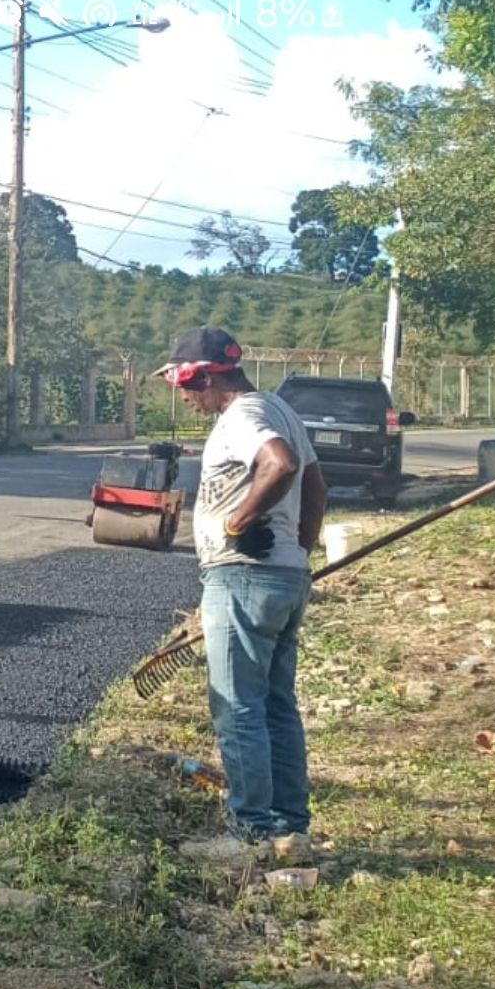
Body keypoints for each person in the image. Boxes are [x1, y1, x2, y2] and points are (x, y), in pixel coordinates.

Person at [159, 326, 326, 852]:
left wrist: (237, 523)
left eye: (186, 387)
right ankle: (289, 826)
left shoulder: (243, 416)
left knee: (238, 708)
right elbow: (316, 487)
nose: (186, 399)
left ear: (205, 377)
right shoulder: (280, 408)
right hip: (284, 577)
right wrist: (297, 553)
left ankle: (250, 833)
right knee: (276, 706)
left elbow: (282, 465)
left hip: (243, 576)